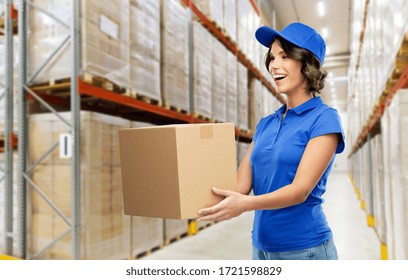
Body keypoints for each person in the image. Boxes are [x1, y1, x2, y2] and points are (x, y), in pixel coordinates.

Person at [197, 22, 345, 260]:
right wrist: (193, 197)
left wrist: (245, 204)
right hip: (261, 248)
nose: (274, 65)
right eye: (272, 57)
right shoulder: (266, 123)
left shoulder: (324, 119)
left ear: (307, 63)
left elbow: (299, 191)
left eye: (284, 56)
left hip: (305, 250)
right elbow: (240, 187)